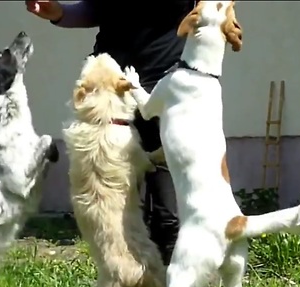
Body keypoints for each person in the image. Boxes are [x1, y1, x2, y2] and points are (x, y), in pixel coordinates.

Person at [25, 0, 195, 266]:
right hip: (110, 94)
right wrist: (60, 13)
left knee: (167, 214)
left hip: (163, 87)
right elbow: (98, 8)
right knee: (116, 216)